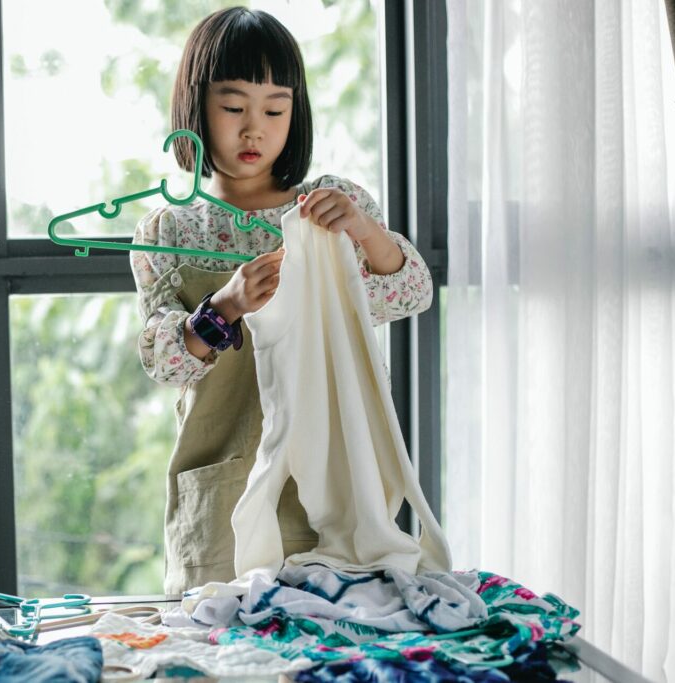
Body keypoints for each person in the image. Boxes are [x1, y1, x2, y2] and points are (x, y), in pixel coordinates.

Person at [130, 7, 434, 596]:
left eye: (274, 109)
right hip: (225, 480)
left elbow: (410, 292)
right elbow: (165, 362)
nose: (254, 129)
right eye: (233, 106)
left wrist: (365, 234)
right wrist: (225, 306)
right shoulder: (167, 230)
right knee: (228, 644)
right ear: (195, 107)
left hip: (337, 473)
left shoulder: (329, 206)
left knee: (341, 635)